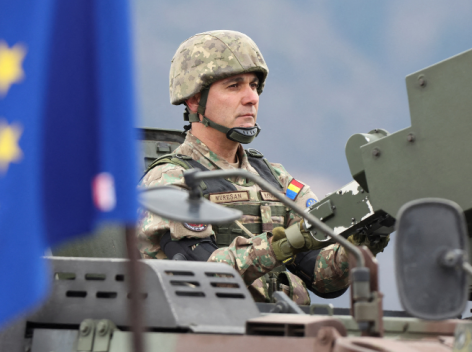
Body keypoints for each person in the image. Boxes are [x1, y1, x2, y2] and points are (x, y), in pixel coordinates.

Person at [138, 30, 358, 305]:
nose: (251, 98)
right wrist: (283, 244)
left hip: (288, 326)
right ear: (194, 99)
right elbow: (206, 274)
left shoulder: (274, 179)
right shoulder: (170, 181)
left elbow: (323, 277)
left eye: (254, 85)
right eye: (234, 86)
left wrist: (360, 241)